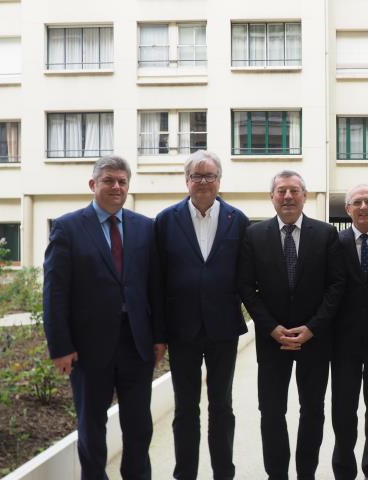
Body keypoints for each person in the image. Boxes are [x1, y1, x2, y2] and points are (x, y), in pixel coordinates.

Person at [43, 155, 166, 480]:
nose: (116, 187)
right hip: (87, 349)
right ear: (93, 184)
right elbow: (55, 292)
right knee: (92, 427)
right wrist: (60, 346)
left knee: (139, 427)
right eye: (109, 180)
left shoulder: (145, 228)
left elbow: (155, 288)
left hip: (136, 345)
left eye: (122, 182)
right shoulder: (67, 227)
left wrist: (158, 337)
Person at [237, 170, 344, 480]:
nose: (287, 196)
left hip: (315, 339)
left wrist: (312, 328)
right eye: (281, 191)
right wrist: (272, 328)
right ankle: (277, 474)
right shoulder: (253, 235)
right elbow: (245, 287)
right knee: (271, 412)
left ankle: (306, 473)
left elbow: (336, 286)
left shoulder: (326, 234)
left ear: (304, 196)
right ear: (272, 197)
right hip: (273, 341)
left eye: (294, 190)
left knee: (312, 411)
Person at [155, 150, 249, 480]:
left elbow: (245, 275)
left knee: (221, 406)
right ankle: (186, 474)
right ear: (187, 181)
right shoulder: (167, 220)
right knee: (185, 409)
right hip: (182, 330)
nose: (203, 182)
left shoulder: (237, 220)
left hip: (223, 328)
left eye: (210, 176)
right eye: (197, 176)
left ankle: (224, 473)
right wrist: (159, 333)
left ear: (219, 180)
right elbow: (158, 279)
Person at [331, 184, 368, 480]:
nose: (364, 206)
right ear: (348, 210)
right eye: (357, 202)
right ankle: (343, 468)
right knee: (343, 410)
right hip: (343, 342)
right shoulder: (335, 242)